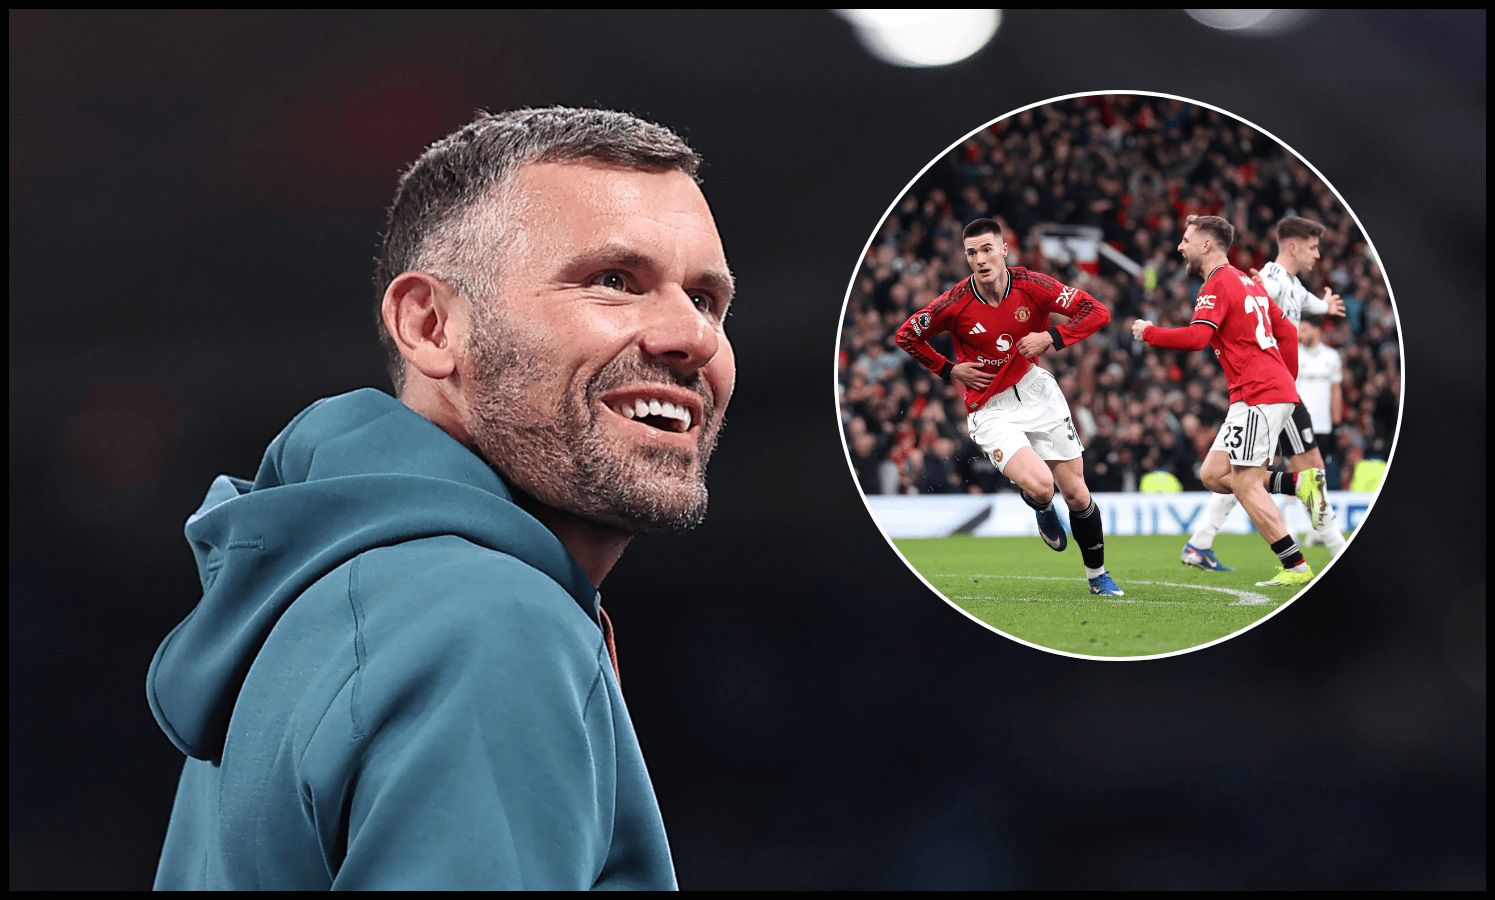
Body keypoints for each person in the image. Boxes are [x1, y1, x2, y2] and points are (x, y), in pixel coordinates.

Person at [145, 107, 736, 889]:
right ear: (429, 326)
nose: (690, 336)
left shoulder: (331, 606)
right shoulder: (487, 622)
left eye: (705, 298)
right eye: (612, 282)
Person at [894, 218, 1124, 597]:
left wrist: (1052, 337)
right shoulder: (955, 303)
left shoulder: (1033, 285)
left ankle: (1097, 575)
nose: (981, 259)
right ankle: (1040, 506)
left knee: (1079, 496)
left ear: (1004, 250)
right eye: (972, 253)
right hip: (990, 408)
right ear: (966, 258)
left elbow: (1097, 312)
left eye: (987, 249)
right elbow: (907, 334)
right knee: (1042, 485)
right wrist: (949, 369)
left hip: (1036, 391)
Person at [1134, 215, 1318, 587]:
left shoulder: (1217, 284)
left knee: (1246, 483)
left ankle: (1295, 565)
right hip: (1259, 392)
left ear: (1206, 245)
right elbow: (1286, 331)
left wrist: (1149, 332)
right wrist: (1288, 381)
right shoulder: (1247, 282)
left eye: (1186, 240)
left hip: (1257, 393)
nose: (1180, 246)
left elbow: (1198, 338)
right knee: (1214, 474)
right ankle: (1296, 483)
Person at [1180, 215, 1344, 568]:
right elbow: (1252, 314)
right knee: (1293, 473)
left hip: (1274, 386)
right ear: (1293, 246)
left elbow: (1307, 306)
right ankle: (1336, 551)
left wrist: (1326, 306)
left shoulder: (1292, 285)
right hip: (1271, 387)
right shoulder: (1267, 279)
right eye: (1313, 248)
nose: (1317, 255)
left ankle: (1200, 541)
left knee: (1243, 472)